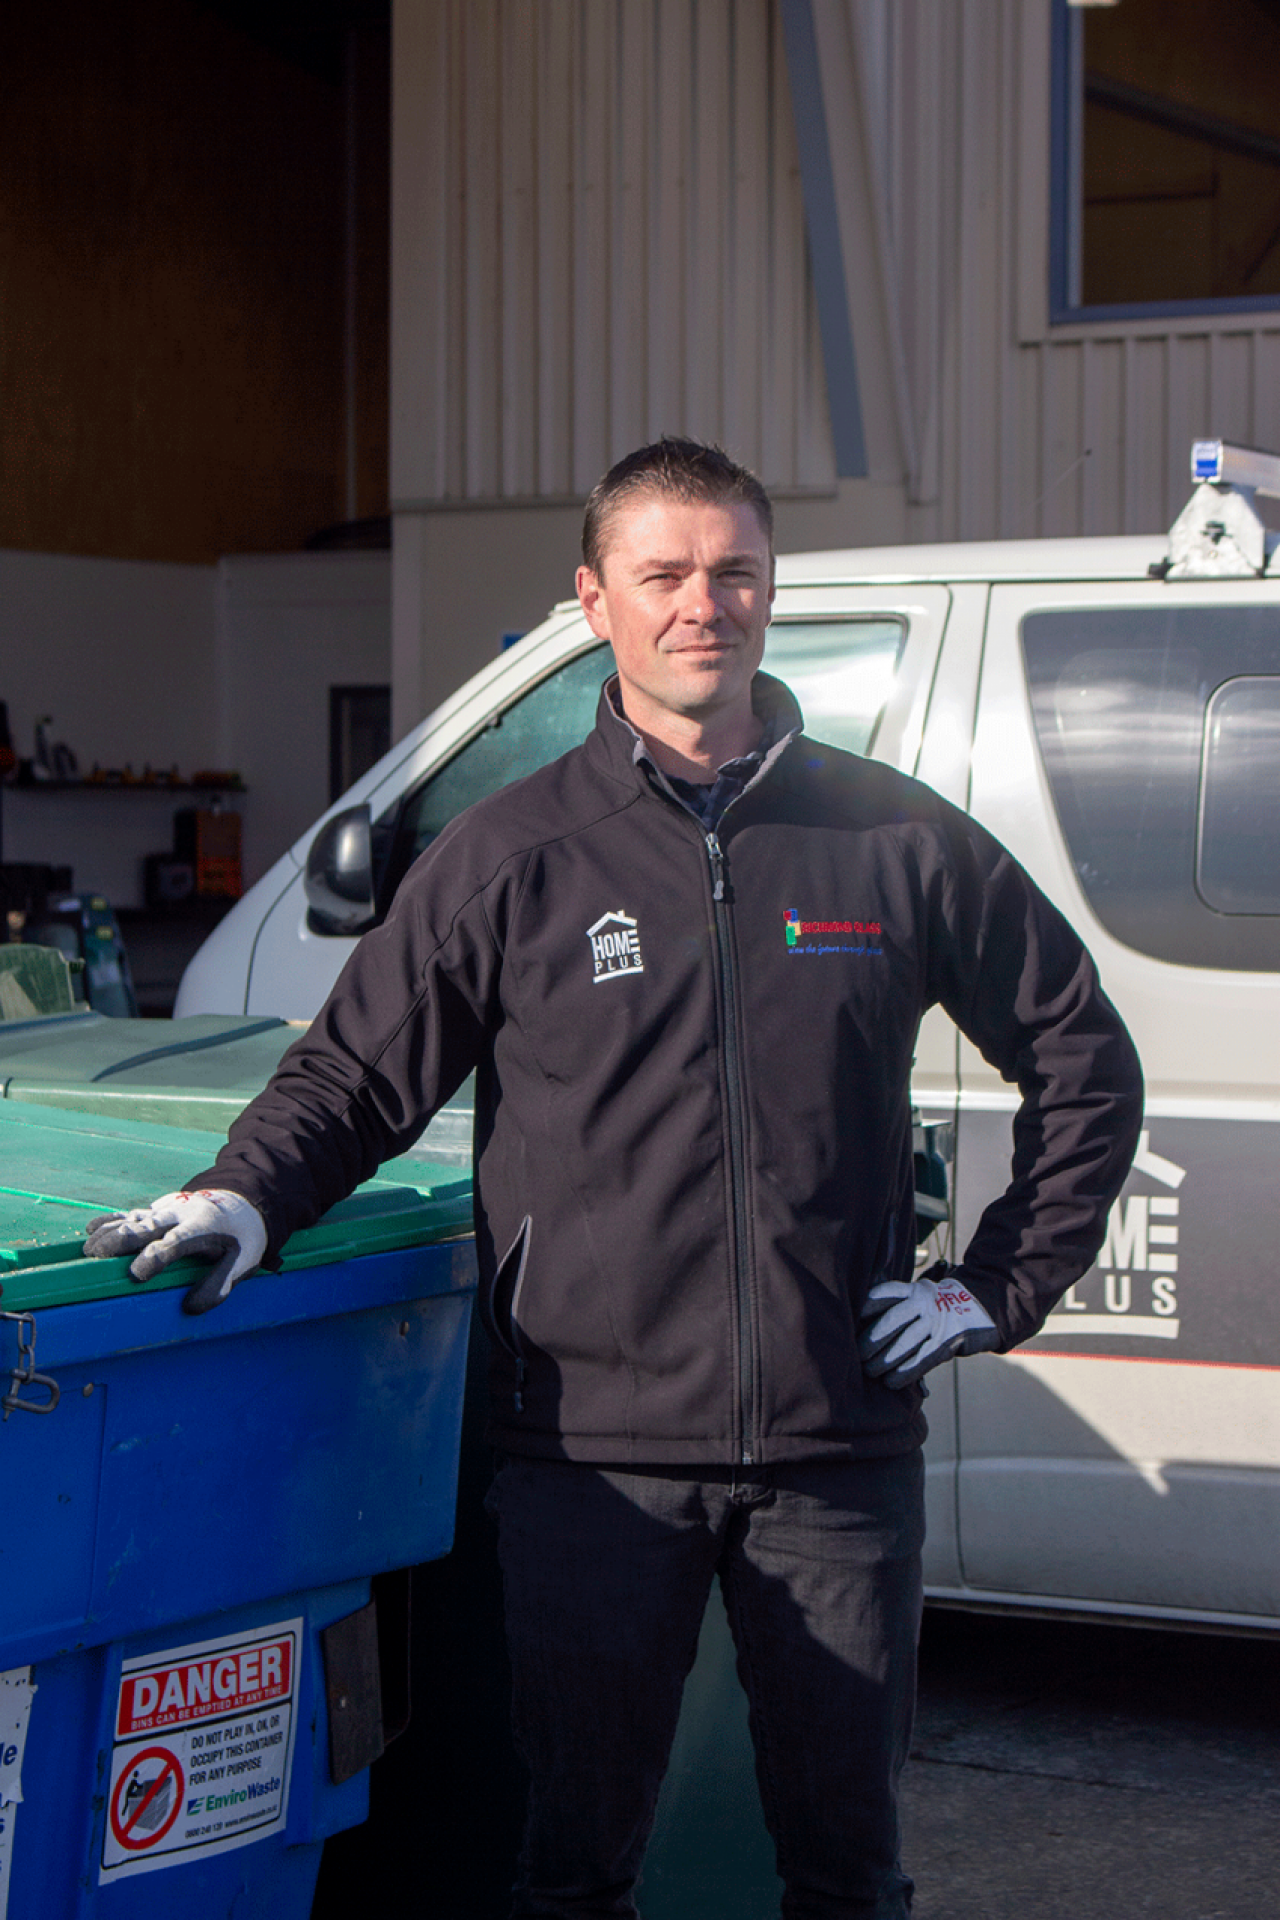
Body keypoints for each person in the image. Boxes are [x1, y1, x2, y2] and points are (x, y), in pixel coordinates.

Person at [85, 438, 1144, 1919]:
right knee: (572, 1869)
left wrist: (997, 1283)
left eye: (734, 573)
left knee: (850, 1871)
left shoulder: (897, 842)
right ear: (595, 602)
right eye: (665, 575)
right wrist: (248, 1193)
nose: (704, 604)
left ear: (767, 593)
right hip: (590, 1463)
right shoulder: (510, 853)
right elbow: (357, 1074)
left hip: (837, 1456)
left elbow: (1084, 1056)